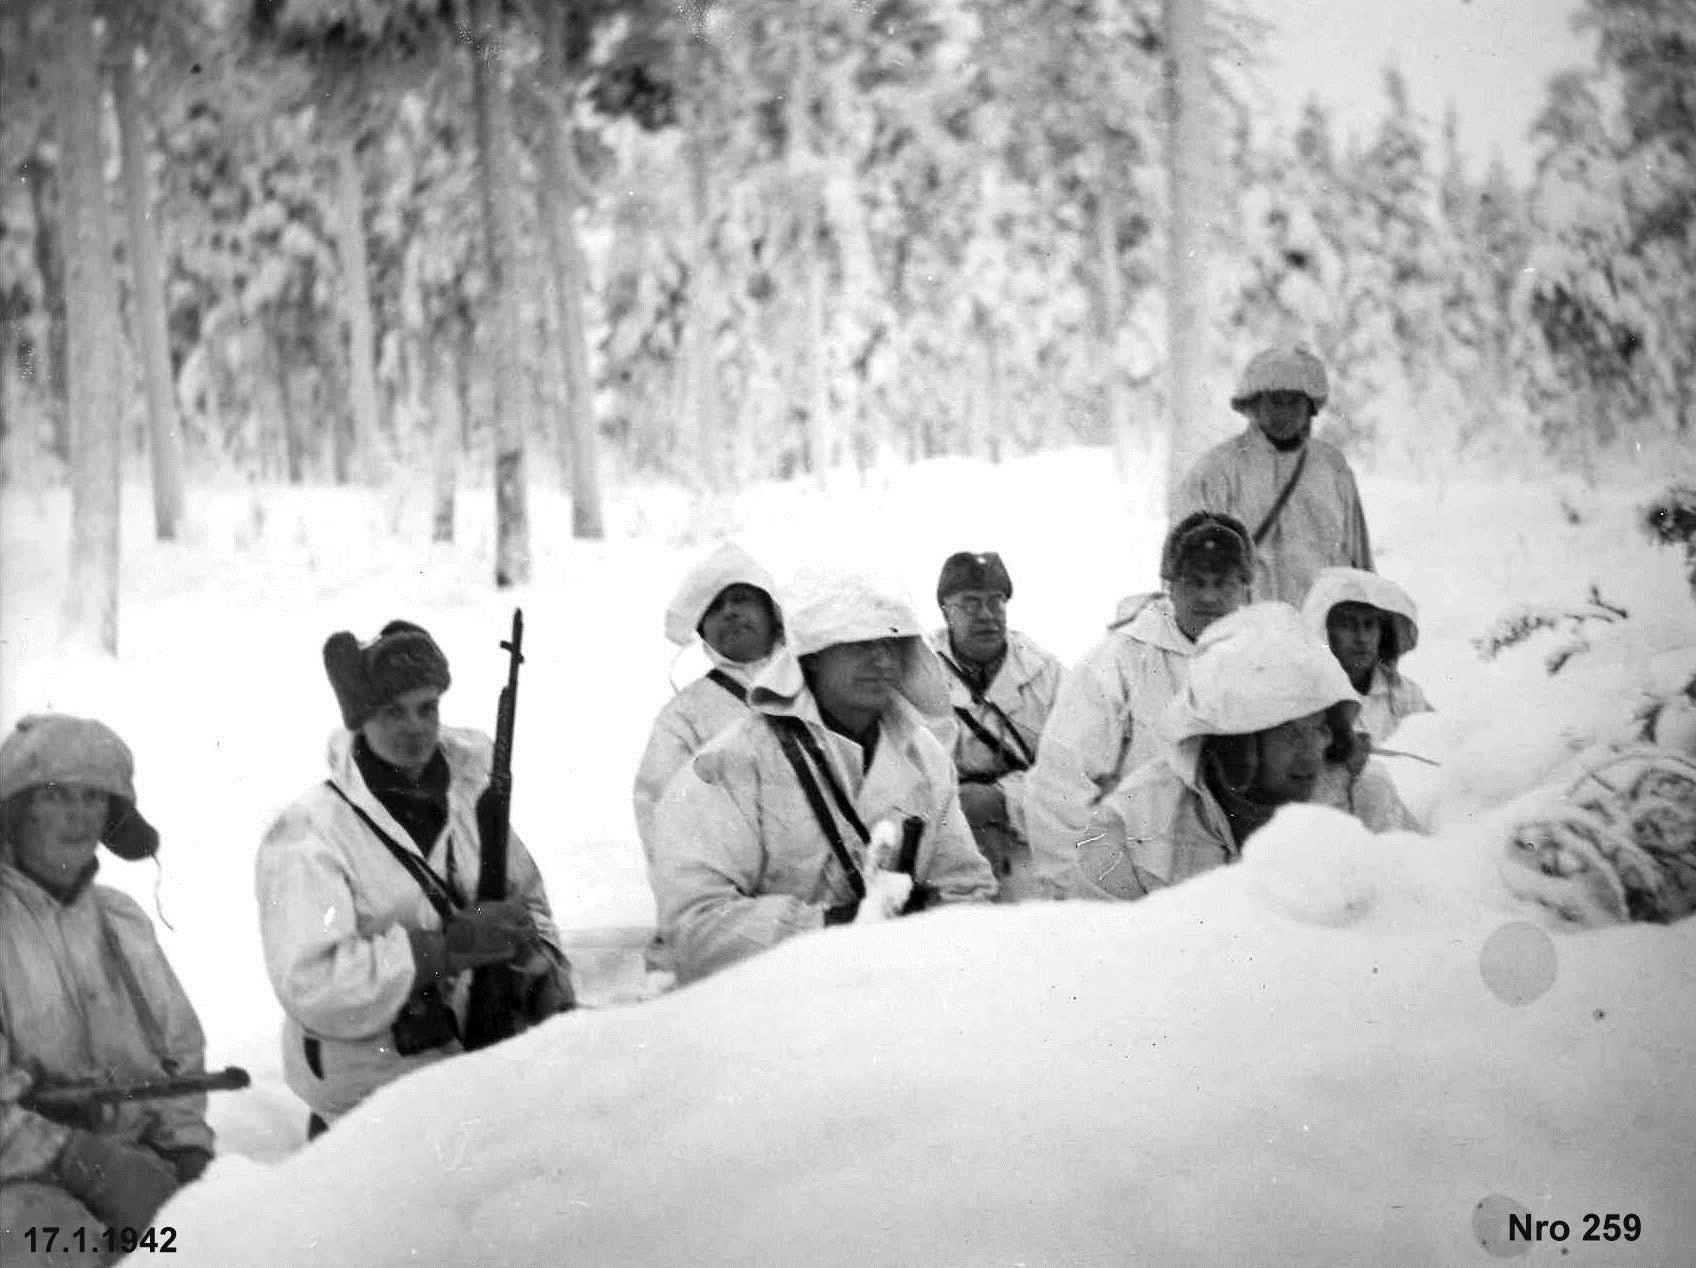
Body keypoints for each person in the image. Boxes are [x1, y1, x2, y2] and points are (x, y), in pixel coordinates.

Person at [256, 621, 573, 1139]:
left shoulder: (472, 803)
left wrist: (539, 966)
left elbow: (530, 900)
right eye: (392, 712)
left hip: (479, 1074)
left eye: (428, 708)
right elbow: (312, 983)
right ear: (361, 720)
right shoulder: (309, 834)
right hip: (367, 1103)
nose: (415, 728)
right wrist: (440, 951)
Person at [650, 568, 998, 984]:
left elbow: (966, 885)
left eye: (891, 642)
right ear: (811, 656)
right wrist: (837, 925)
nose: (881, 660)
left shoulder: (925, 756)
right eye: (857, 644)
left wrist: (935, 922)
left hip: (906, 996)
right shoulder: (736, 761)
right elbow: (696, 927)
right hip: (777, 1009)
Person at [1, 715, 215, 1261]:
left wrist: (188, 1151)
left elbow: (179, 1054)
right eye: (56, 796)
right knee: (44, 1244)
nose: (77, 818)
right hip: (20, 1179)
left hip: (138, 1161)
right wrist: (80, 1160)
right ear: (17, 807)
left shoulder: (122, 921)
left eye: (94, 798)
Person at [1070, 604, 1411, 901]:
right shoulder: (1132, 824)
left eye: (1319, 728)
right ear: (1237, 744)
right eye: (1290, 733)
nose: (1312, 752)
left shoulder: (1364, 796)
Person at [1025, 513, 1254, 895]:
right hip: (1145, 884)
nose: (1209, 598)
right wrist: (1090, 892)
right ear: (1170, 587)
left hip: (1252, 881)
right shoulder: (1119, 662)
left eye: (1224, 583)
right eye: (1194, 582)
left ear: (1246, 588)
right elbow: (1058, 787)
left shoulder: (1275, 660)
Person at [1170, 344, 1372, 606]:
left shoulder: (1332, 467)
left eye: (1295, 402)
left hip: (1318, 630)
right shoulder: (1218, 469)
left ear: (1310, 406)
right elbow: (1184, 560)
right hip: (1244, 629)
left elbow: (1359, 556)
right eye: (1275, 401)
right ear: (1253, 403)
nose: (1285, 413)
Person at [632, 543, 784, 863]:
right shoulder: (682, 719)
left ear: (773, 613)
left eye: (742, 599)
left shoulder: (818, 684)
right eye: (714, 607)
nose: (729, 611)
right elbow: (662, 820)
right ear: (702, 631)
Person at [928, 551, 1065, 900]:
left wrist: (1002, 799)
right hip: (945, 839)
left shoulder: (1046, 675)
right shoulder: (919, 673)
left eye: (996, 602)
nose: (987, 615)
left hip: (1029, 835)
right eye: (971, 603)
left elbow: (1072, 769)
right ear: (946, 609)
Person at [1301, 566, 1433, 744]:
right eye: (1347, 625)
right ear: (1326, 632)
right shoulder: (1307, 698)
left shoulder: (1407, 695)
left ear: (1382, 632)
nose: (1361, 638)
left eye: (1370, 625)